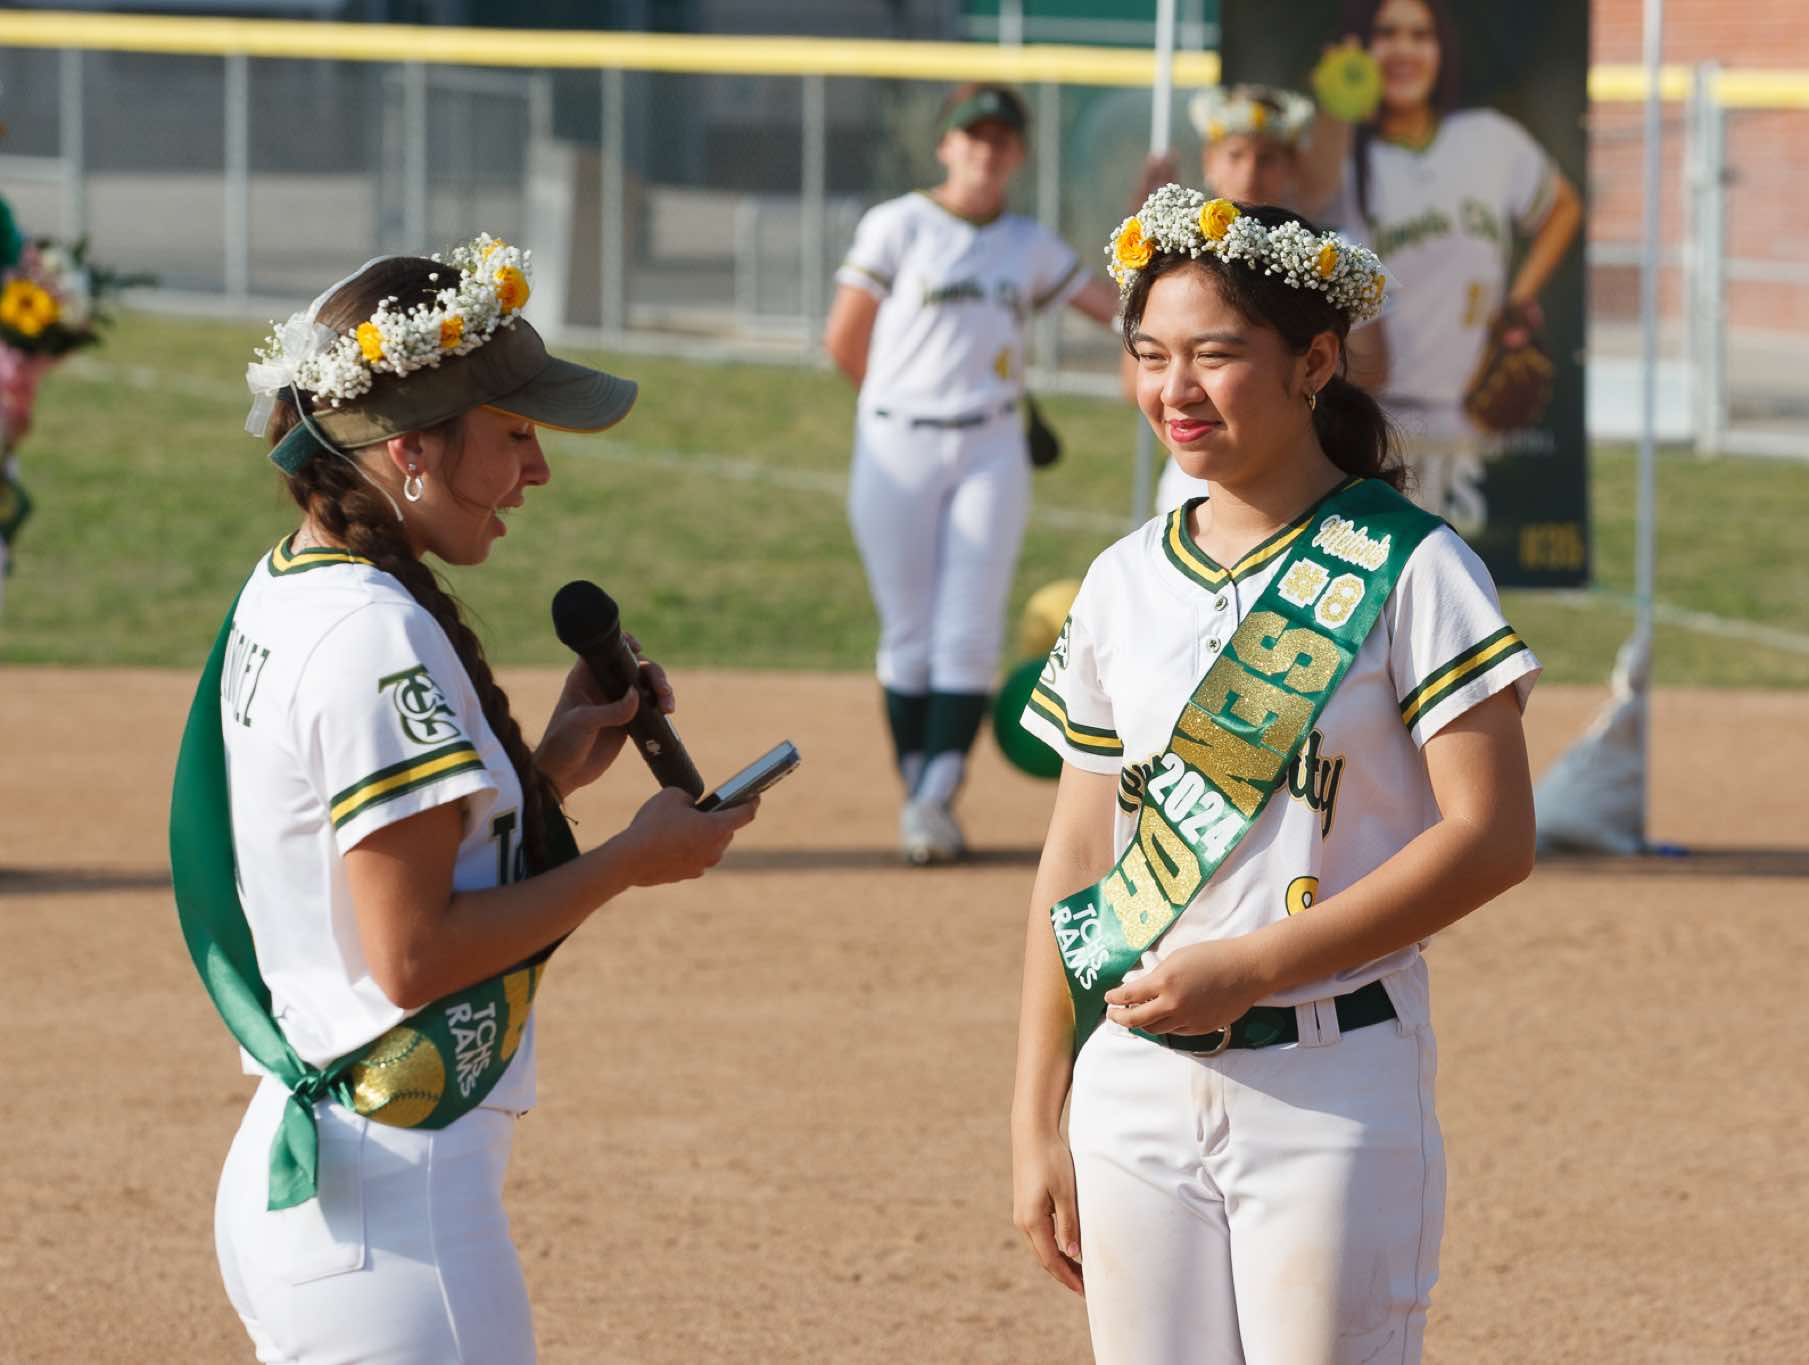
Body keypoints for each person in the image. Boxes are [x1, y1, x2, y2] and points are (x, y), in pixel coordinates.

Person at [171, 238, 759, 1364]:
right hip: (393, 1213)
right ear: (410, 451)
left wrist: (548, 773)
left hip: (325, 1173)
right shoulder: (373, 634)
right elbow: (414, 954)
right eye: (516, 433)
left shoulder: (299, 582)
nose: (538, 471)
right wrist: (629, 860)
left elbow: (360, 866)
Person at [1009, 186, 1539, 1364]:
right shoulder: (1120, 581)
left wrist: (1252, 967)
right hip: (1132, 1088)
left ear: (1314, 361)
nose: (1174, 390)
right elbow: (1079, 857)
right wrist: (1035, 1114)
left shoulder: (1413, 568)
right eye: (1148, 355)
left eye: (1213, 355)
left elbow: (1492, 838)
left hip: (1330, 1080)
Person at [825, 82, 1118, 865]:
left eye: (1000, 138)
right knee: (909, 629)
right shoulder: (898, 224)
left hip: (991, 447)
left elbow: (1118, 311)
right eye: (972, 135)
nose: (986, 149)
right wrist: (903, 403)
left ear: (1018, 154)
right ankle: (923, 793)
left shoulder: (1026, 243)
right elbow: (844, 340)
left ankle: (931, 799)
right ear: (945, 146)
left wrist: (1150, 232)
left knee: (969, 629)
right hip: (898, 443)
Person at [1298, 0, 1583, 529]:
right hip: (1367, 415)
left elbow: (1562, 207)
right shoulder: (1341, 159)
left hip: (1465, 415)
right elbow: (1309, 200)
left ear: (1442, 50)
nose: (1403, 50)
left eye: (1420, 35)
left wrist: (1519, 299)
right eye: (1386, 34)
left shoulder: (1488, 138)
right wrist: (1337, 107)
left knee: (1458, 566)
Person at [1134, 84, 1389, 516]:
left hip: (1298, 468)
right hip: (1193, 469)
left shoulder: (1327, 256)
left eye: (1267, 158)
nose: (1250, 173)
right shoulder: (1171, 260)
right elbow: (1133, 380)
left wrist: (1285, 390)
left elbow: (1373, 366)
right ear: (1210, 162)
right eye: (1235, 155)